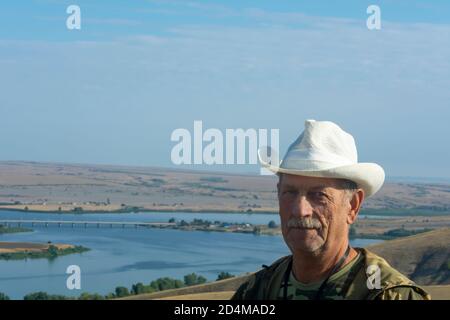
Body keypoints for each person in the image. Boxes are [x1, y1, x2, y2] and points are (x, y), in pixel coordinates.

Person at [232, 120, 430, 300]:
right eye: (290, 193)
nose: (300, 210)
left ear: (352, 206)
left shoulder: (388, 295)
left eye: (318, 195)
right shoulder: (257, 291)